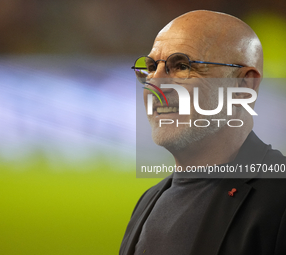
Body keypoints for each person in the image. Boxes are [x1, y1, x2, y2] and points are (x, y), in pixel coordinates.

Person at [120, 10, 286, 255]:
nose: (156, 84)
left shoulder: (279, 199)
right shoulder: (148, 202)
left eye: (182, 67)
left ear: (243, 86)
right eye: (152, 67)